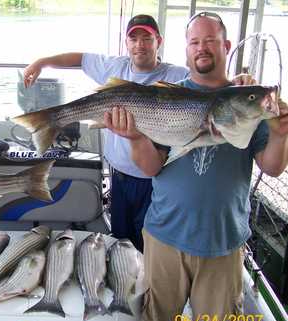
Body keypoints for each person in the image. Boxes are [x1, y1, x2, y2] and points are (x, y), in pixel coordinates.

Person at [103, 12, 288, 321]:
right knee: (160, 314)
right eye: (194, 42)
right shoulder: (166, 96)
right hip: (165, 231)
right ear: (186, 51)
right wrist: (135, 136)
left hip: (223, 238)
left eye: (210, 41)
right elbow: (152, 167)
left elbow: (273, 166)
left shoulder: (248, 100)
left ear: (226, 46)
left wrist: (280, 134)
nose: (202, 48)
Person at [23, 14, 189, 252]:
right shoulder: (116, 66)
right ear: (126, 43)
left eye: (147, 38)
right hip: (118, 175)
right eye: (134, 38)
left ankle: (147, 286)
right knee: (119, 238)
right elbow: (78, 59)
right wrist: (42, 62)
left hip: (156, 180)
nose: (139, 44)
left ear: (158, 41)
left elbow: (207, 87)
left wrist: (237, 82)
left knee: (149, 243)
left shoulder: (177, 75)